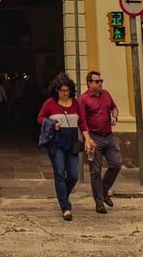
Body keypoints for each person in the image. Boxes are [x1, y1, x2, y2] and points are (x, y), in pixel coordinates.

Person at [36, 72, 91, 221]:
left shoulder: (76, 103)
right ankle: (65, 208)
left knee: (73, 175)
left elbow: (82, 123)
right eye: (62, 91)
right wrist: (52, 124)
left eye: (67, 91)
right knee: (60, 174)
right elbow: (40, 117)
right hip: (57, 144)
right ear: (56, 90)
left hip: (72, 144)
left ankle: (63, 197)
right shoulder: (50, 103)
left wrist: (87, 139)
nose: (65, 93)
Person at [77, 70, 122, 214]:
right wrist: (87, 139)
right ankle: (99, 202)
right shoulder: (84, 99)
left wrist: (114, 116)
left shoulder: (106, 94)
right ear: (89, 83)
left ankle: (103, 189)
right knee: (95, 171)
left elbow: (114, 107)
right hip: (94, 138)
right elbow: (81, 120)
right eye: (97, 81)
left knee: (116, 164)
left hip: (109, 136)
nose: (100, 83)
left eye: (101, 81)